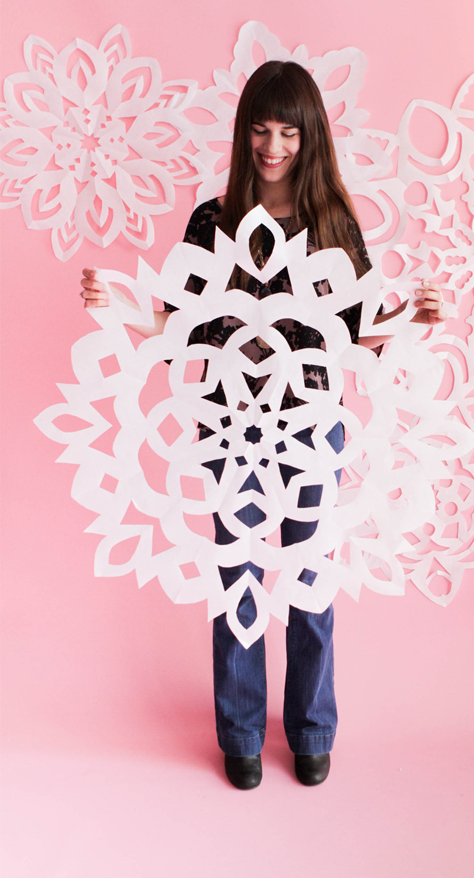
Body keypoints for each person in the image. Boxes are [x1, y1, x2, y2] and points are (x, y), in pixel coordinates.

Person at [80, 60, 446, 790]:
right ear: (245, 131)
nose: (272, 145)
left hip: (310, 424)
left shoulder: (333, 224)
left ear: (310, 138)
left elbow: (355, 330)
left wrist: (411, 317)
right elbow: (182, 324)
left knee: (310, 580)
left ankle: (312, 729)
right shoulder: (212, 222)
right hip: (229, 422)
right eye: (260, 128)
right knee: (237, 578)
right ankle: (241, 732)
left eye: (287, 131)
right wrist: (114, 302)